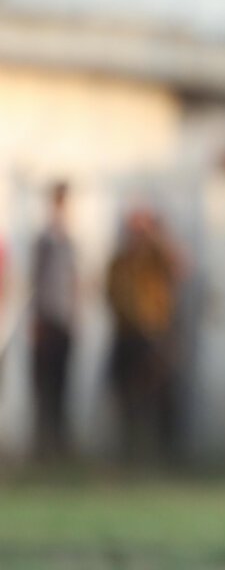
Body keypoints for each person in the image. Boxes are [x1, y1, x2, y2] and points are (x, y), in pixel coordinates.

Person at [105, 206, 181, 463]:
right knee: (125, 397)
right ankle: (130, 453)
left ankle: (161, 455)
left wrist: (154, 236)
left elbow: (178, 267)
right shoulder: (120, 260)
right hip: (127, 336)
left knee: (159, 397)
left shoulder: (157, 258)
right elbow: (111, 293)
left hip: (154, 336)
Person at [30, 181, 79, 460]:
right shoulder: (44, 242)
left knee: (62, 387)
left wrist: (74, 316)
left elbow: (74, 282)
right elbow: (36, 282)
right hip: (46, 322)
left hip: (63, 323)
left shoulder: (69, 243)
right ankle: (43, 448)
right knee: (43, 388)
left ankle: (59, 449)